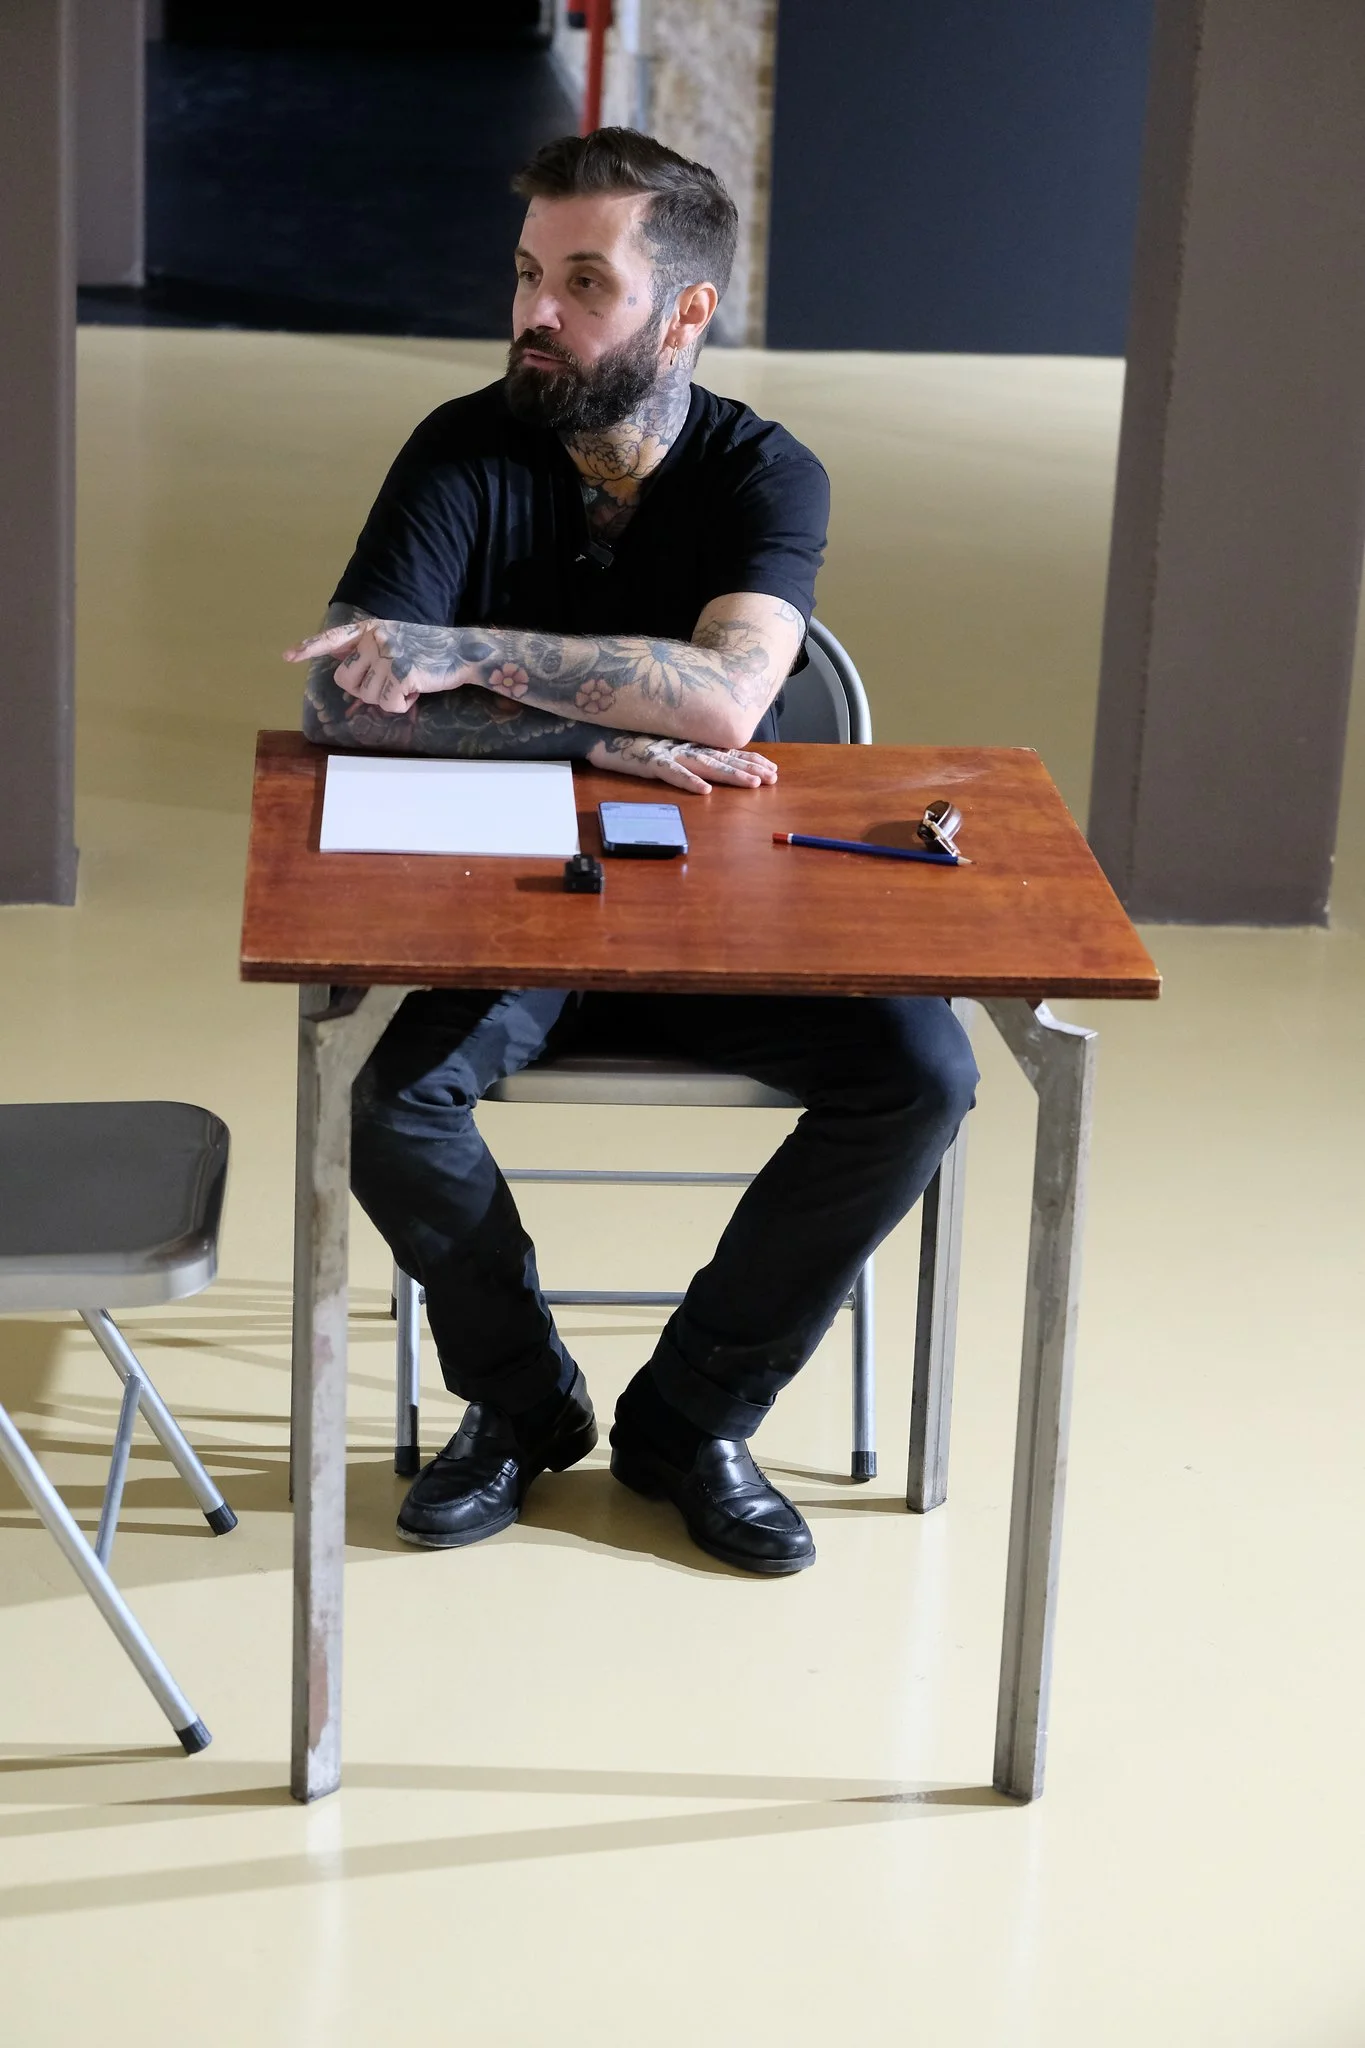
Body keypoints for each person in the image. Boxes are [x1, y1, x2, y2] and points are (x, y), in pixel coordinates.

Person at [284, 128, 978, 1577]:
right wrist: (587, 736)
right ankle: (520, 1402)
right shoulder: (461, 448)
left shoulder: (767, 474)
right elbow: (341, 697)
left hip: (727, 919)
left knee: (924, 1075)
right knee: (381, 1099)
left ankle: (693, 1419)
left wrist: (468, 654)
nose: (535, 312)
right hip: (515, 912)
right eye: (527, 273)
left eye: (585, 282)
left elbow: (727, 698)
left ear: (686, 311)